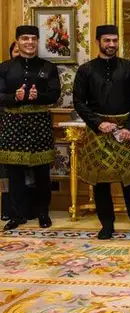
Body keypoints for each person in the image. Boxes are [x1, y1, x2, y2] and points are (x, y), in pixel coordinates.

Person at [73, 24, 130, 240]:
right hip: (98, 131)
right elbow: (79, 102)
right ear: (98, 42)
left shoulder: (129, 68)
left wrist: (129, 128)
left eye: (115, 40)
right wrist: (98, 123)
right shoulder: (85, 70)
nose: (111, 44)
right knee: (101, 181)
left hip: (125, 130)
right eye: (107, 40)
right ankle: (107, 225)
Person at [0, 26, 60, 231]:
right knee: (14, 172)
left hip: (39, 123)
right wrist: (14, 97)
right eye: (25, 38)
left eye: (33, 38)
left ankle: (43, 213)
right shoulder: (5, 67)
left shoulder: (48, 67)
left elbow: (55, 94)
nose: (29, 42)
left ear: (38, 41)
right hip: (13, 123)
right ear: (17, 41)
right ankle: (16, 215)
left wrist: (38, 96)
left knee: (42, 172)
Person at [1, 42, 21, 221]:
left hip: (31, 127)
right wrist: (14, 97)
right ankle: (7, 208)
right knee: (6, 171)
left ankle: (26, 209)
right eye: (16, 51)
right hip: (5, 124)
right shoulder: (4, 70)